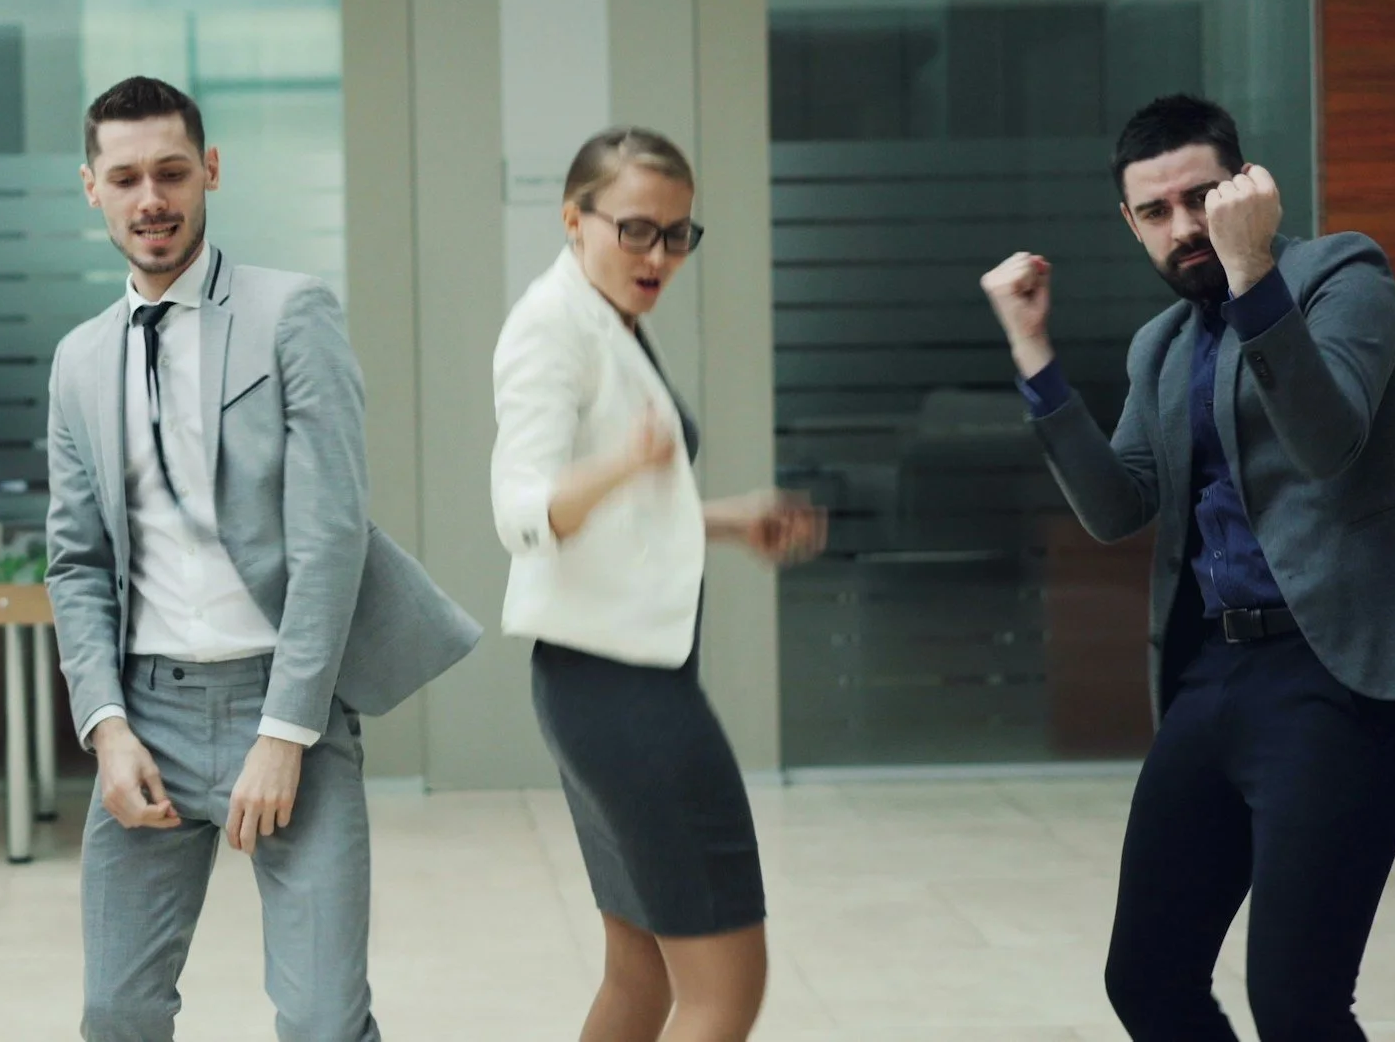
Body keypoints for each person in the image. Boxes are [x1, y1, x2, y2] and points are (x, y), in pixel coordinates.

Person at [978, 95, 1395, 1042]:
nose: (1183, 227)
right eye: (1155, 212)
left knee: (1297, 1002)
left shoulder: (1344, 276)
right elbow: (1117, 503)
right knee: (1149, 980)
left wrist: (1254, 273)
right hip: (1214, 674)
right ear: (1128, 224)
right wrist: (1034, 353)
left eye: (1201, 198)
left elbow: (1328, 441)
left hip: (1345, 674)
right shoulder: (1162, 345)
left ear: (1244, 190)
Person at [43, 76, 480, 1042]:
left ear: (209, 170)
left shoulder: (292, 315)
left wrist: (287, 731)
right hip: (143, 710)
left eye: (169, 172)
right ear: (92, 188)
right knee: (116, 1014)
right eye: (125, 178)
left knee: (324, 1018)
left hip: (286, 705)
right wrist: (106, 730)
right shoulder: (78, 360)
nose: (150, 198)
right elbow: (74, 562)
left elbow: (331, 535)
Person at [490, 126, 827, 1042]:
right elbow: (520, 510)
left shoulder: (604, 319)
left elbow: (625, 505)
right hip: (625, 697)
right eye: (636, 230)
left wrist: (723, 515)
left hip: (597, 685)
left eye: (678, 234)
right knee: (726, 987)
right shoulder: (551, 329)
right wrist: (623, 465)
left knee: (640, 977)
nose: (659, 256)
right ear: (574, 218)